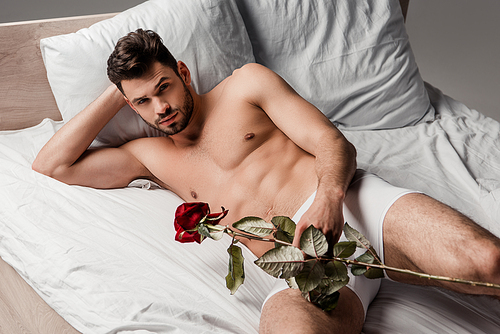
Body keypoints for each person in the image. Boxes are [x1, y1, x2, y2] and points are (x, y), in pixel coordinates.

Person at [32, 29, 500, 334]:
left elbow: (333, 143)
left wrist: (329, 200)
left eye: (163, 87)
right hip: (302, 266)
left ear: (183, 73)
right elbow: (52, 165)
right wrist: (117, 96)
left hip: (353, 205)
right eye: (142, 102)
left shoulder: (245, 87)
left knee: (486, 260)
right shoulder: (147, 156)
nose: (161, 108)